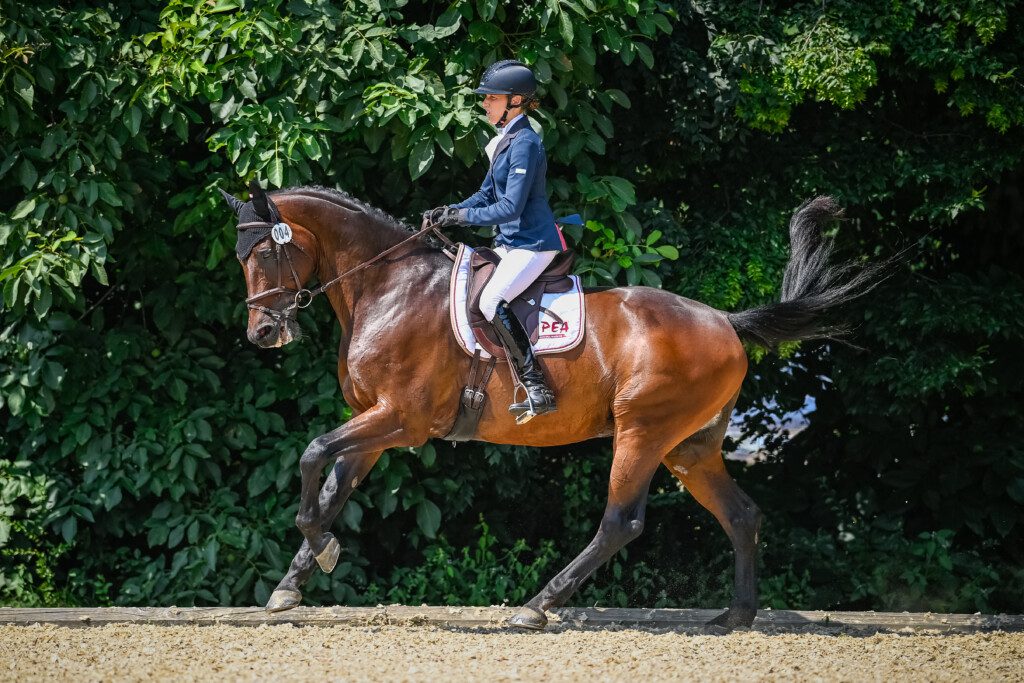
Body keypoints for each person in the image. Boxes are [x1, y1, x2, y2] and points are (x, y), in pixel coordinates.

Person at [426, 59, 565, 421]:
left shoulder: (526, 144)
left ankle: (536, 386)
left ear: (515, 100)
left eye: (491, 98)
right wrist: (448, 210)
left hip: (533, 243)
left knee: (491, 300)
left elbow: (508, 207)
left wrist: (461, 218)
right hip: (510, 243)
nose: (485, 103)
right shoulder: (505, 141)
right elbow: (485, 195)